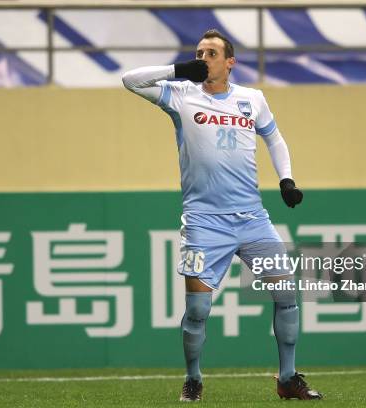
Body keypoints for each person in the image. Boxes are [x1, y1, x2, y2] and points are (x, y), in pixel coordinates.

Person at [122, 29, 322, 402]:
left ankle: (287, 377)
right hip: (203, 221)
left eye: (211, 53)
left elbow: (274, 139)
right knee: (197, 309)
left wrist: (287, 180)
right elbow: (130, 80)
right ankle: (194, 377)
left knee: (286, 295)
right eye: (198, 52)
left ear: (230, 62)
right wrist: (179, 69)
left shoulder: (252, 99)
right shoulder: (180, 96)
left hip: (252, 219)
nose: (203, 58)